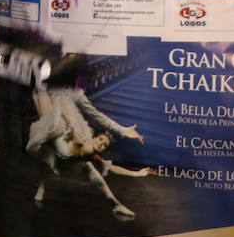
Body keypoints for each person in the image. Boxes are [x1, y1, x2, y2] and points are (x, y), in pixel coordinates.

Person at [26, 86, 150, 218]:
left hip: (66, 140)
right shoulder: (77, 137)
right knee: (51, 150)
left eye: (103, 145)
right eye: (101, 140)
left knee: (91, 174)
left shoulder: (90, 154)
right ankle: (42, 186)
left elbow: (112, 167)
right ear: (94, 138)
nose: (100, 144)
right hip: (58, 126)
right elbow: (62, 109)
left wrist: (137, 174)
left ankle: (116, 205)